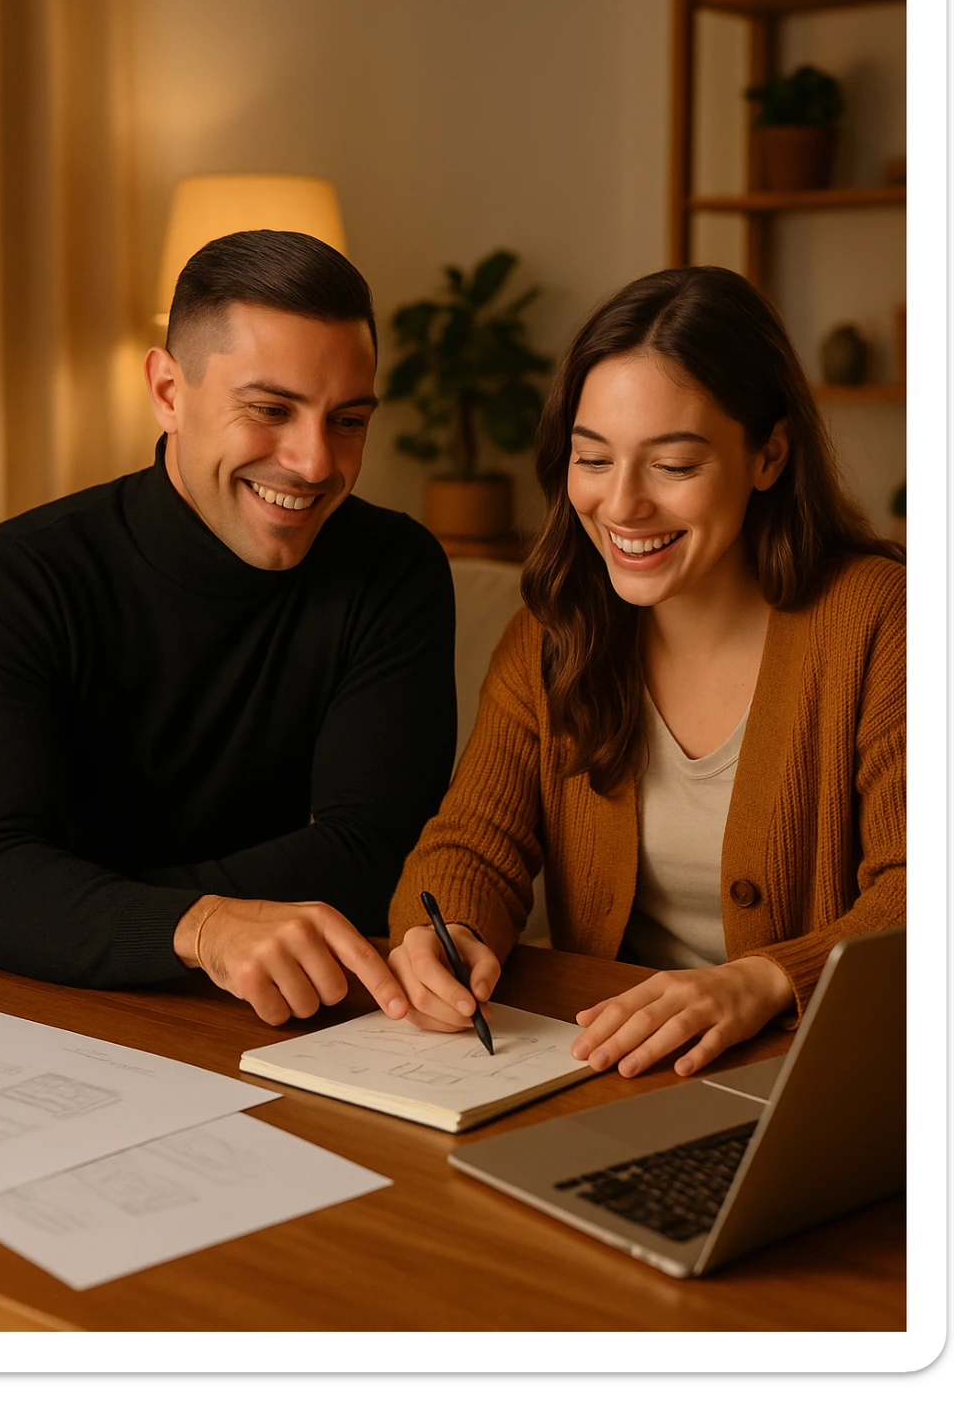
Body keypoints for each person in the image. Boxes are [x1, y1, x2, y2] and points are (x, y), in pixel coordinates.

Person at [388, 264, 905, 1079]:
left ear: (768, 454)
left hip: (831, 1078)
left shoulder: (881, 621)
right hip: (616, 1072)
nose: (622, 506)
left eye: (672, 465)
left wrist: (765, 980)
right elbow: (473, 844)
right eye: (593, 460)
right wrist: (448, 930)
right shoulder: (552, 636)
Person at [0, 229, 458, 1028]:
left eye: (348, 420)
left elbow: (379, 851)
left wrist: (85, 910)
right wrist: (199, 926)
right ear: (168, 390)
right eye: (270, 410)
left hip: (284, 1012)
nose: (313, 462)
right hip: (42, 1012)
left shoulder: (393, 568)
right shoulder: (11, 580)